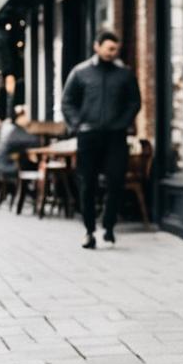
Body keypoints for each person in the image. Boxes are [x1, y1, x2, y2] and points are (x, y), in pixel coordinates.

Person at [61, 29, 141, 249]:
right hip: (88, 137)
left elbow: (134, 102)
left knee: (115, 181)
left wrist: (122, 123)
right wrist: (78, 125)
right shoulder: (80, 72)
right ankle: (88, 231)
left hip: (116, 137)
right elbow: (67, 101)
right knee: (87, 184)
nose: (112, 52)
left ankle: (109, 225)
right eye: (109, 48)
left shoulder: (124, 74)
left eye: (115, 49)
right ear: (97, 47)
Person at [0, 105, 41, 193]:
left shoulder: (13, 130)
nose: (29, 118)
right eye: (26, 115)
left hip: (2, 165)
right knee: (36, 165)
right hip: (6, 166)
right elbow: (35, 142)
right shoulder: (16, 132)